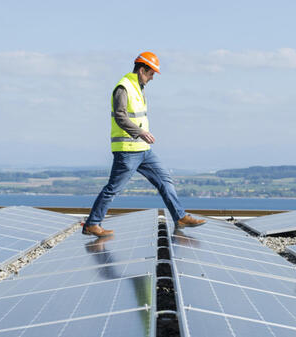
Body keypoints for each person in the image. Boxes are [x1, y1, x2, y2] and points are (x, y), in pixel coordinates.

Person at [82, 51, 206, 237]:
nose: (152, 77)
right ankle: (92, 224)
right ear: (141, 70)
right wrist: (140, 133)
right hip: (128, 151)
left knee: (165, 180)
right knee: (113, 189)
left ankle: (180, 217)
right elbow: (120, 116)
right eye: (151, 73)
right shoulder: (123, 87)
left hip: (144, 150)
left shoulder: (138, 87)